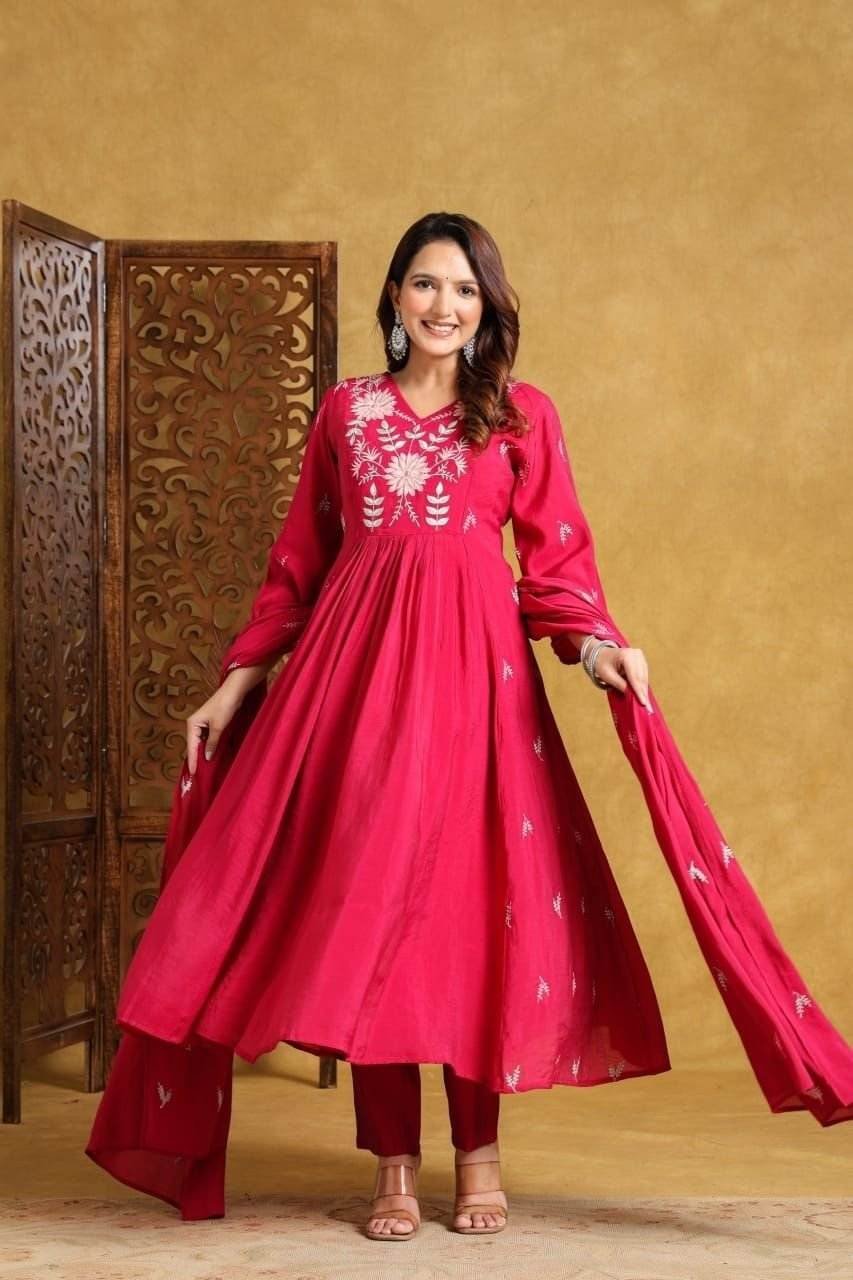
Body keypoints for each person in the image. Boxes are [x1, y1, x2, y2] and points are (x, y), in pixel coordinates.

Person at [86, 211, 853, 1238]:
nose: (443, 306)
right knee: (370, 914)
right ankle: (394, 1162)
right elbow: (299, 562)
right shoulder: (347, 413)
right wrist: (236, 682)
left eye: (463, 290)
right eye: (425, 284)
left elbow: (557, 567)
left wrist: (600, 650)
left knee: (466, 917)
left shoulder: (520, 416)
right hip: (352, 697)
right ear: (395, 298)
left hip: (476, 697)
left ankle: (478, 1154)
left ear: (486, 309)